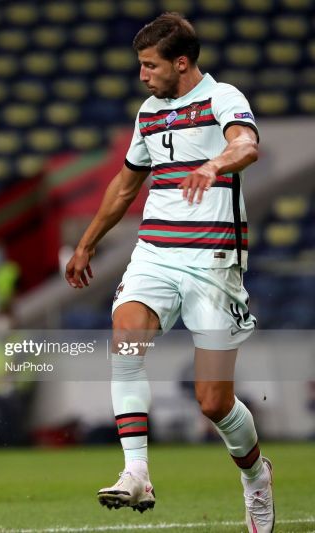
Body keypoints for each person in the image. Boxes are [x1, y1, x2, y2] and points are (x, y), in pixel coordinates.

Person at [64, 13, 273, 531]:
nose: (143, 75)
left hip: (213, 261)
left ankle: (255, 477)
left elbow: (246, 144)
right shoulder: (149, 113)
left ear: (181, 63)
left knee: (213, 401)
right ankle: (136, 472)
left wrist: (215, 164)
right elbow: (125, 185)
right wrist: (86, 244)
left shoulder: (222, 97)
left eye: (150, 65)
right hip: (155, 253)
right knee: (126, 339)